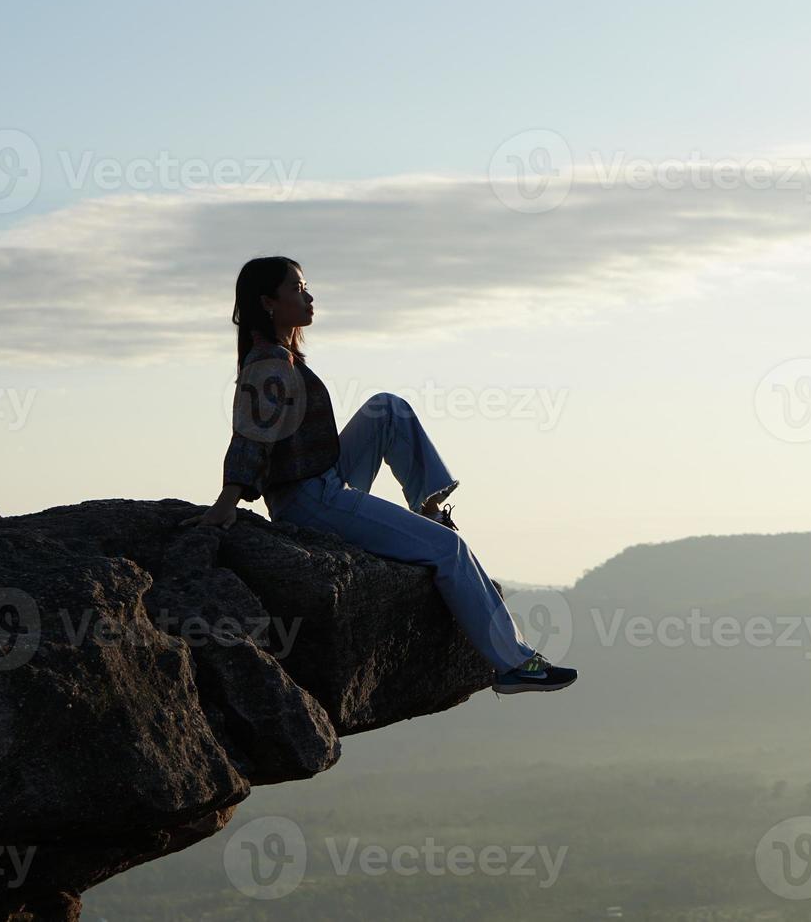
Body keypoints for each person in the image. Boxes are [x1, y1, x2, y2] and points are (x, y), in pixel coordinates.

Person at [179, 255, 575, 695]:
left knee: (386, 408)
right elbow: (250, 436)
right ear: (268, 302)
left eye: (306, 286)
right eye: (296, 289)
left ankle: (428, 510)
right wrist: (226, 503)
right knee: (449, 550)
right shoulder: (269, 364)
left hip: (324, 480)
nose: (309, 296)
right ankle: (514, 665)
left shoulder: (284, 356)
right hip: (310, 501)